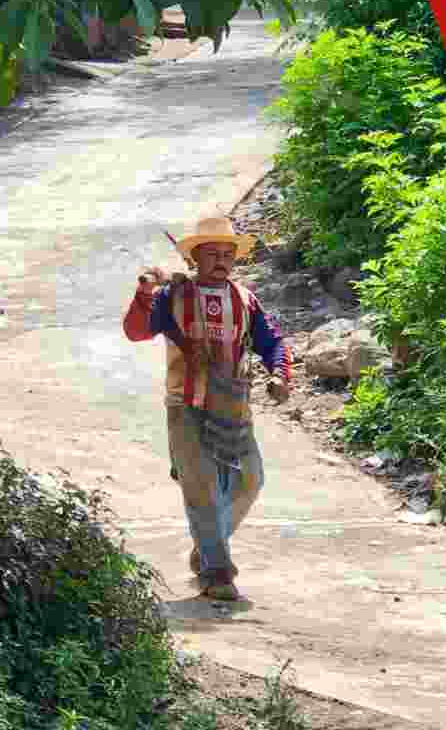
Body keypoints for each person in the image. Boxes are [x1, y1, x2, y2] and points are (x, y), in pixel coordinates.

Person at [123, 208, 292, 601]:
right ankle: (217, 571)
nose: (222, 262)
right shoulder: (173, 295)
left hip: (233, 407)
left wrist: (280, 375)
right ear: (194, 258)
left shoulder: (246, 300)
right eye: (212, 255)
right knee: (201, 487)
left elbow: (273, 343)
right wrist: (146, 292)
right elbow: (135, 332)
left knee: (250, 481)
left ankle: (205, 547)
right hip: (186, 405)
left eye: (228, 255)